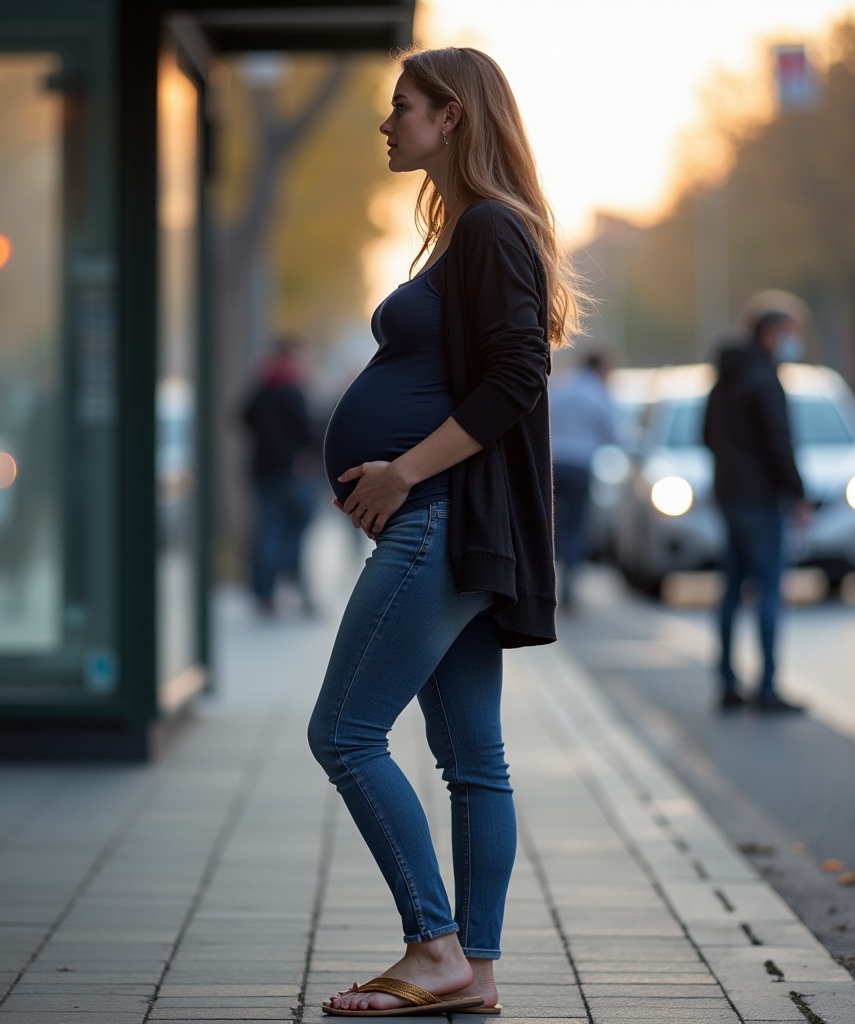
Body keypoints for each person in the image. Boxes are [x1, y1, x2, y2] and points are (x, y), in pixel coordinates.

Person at [307, 47, 580, 1015]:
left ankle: (433, 944)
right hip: (447, 523)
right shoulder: (469, 231)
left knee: (341, 732)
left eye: (403, 108)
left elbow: (516, 378)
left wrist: (401, 471)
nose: (388, 124)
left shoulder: (493, 230)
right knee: (472, 760)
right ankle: (479, 971)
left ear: (453, 116)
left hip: (439, 519)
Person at [702, 306, 811, 712]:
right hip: (762, 500)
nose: (793, 342)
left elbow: (707, 434)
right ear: (770, 333)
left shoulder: (725, 378)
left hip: (730, 497)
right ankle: (766, 686)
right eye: (789, 333)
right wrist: (798, 492)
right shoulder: (765, 379)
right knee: (768, 590)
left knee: (731, 589)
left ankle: (728, 683)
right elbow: (779, 443)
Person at [242, 336, 320, 615]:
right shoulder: (292, 389)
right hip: (292, 473)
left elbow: (243, 417)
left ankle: (265, 594)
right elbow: (309, 433)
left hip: (263, 472)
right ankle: (298, 589)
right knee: (294, 532)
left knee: (269, 530)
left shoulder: (263, 387)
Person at [549, 351, 617, 609]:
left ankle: (543, 587)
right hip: (580, 466)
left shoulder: (562, 387)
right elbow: (610, 431)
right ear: (599, 368)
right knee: (576, 530)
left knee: (551, 527)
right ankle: (568, 591)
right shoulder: (597, 393)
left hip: (553, 463)